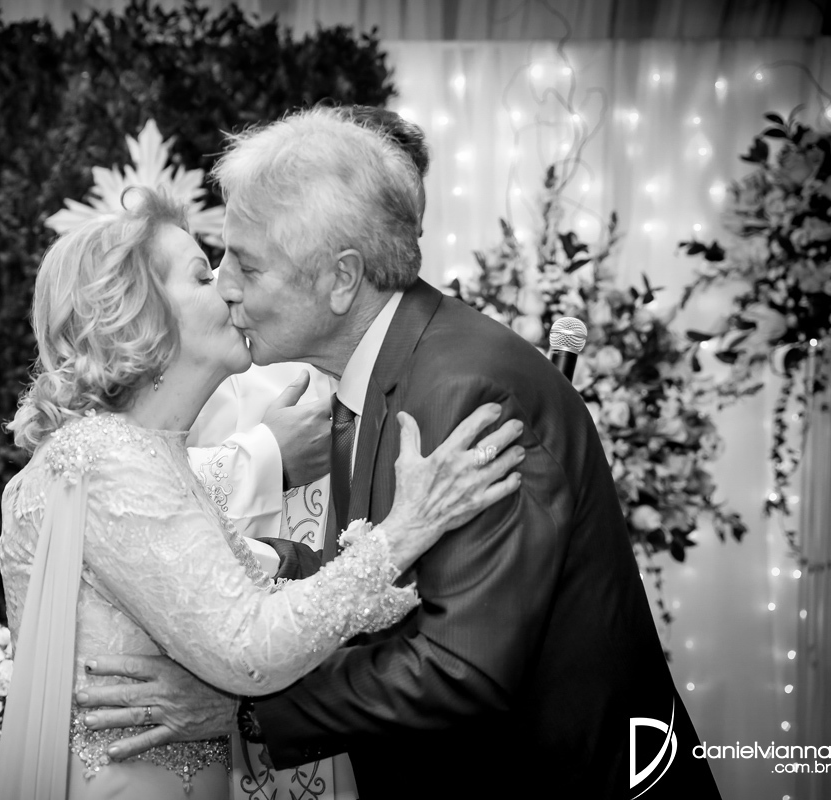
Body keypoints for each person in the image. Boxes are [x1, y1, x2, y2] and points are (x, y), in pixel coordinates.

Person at [77, 108, 723, 797]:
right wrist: (238, 563)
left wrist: (245, 710)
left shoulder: (466, 392)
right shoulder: (381, 371)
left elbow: (460, 666)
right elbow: (391, 579)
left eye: (248, 264)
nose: (226, 284)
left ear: (341, 279)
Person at [0, 187, 525, 799]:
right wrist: (408, 530)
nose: (228, 287)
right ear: (138, 316)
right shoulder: (112, 461)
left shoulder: (143, 454)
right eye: (202, 276)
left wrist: (412, 568)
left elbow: (258, 600)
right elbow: (249, 645)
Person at [186, 105, 432, 799]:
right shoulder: (243, 349)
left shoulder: (421, 361)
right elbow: (146, 500)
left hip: (372, 715)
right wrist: (268, 456)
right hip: (264, 703)